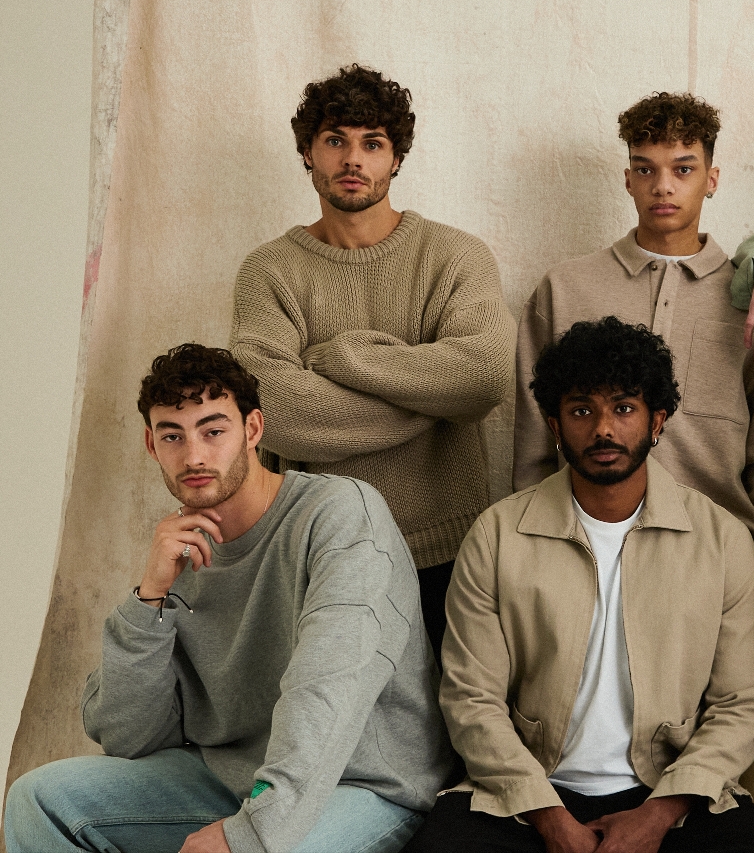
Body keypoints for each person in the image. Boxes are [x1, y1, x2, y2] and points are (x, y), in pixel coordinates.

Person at [4, 344, 453, 853]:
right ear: (152, 446)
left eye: (213, 431)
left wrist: (251, 834)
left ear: (253, 430)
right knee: (39, 799)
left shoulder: (340, 515)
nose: (193, 455)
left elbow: (326, 690)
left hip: (358, 785)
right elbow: (128, 738)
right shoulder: (180, 550)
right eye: (173, 436)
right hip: (229, 779)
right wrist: (149, 597)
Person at [408, 317, 754, 853]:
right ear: (555, 424)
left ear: (657, 420)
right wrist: (551, 819)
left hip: (673, 795)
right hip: (525, 795)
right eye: (581, 410)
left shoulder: (721, 540)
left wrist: (659, 814)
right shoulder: (498, 535)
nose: (603, 429)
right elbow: (471, 699)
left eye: (623, 408)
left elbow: (742, 702)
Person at [230, 64, 515, 661]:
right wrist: (428, 400)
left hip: (448, 550)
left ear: (397, 158)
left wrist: (344, 359)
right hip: (317, 547)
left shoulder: (454, 256)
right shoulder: (270, 270)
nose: (352, 159)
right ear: (308, 152)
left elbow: (485, 376)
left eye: (373, 143)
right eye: (335, 140)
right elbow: (270, 408)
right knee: (330, 727)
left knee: (450, 734)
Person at [513, 91, 754, 589]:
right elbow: (533, 445)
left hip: (715, 561)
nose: (663, 187)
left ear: (712, 179)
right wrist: (535, 556)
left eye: (683, 169)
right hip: (581, 555)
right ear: (627, 178)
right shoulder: (564, 288)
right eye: (645, 170)